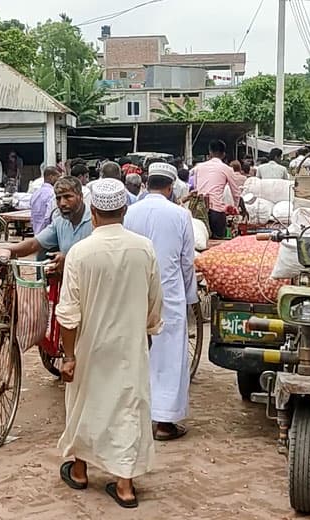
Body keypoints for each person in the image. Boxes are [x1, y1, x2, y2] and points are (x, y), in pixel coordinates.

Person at [55, 178, 163, 509]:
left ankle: (80, 468)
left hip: (90, 346)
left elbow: (68, 314)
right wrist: (147, 331)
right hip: (130, 346)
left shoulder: (80, 252)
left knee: (85, 404)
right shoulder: (144, 248)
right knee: (127, 408)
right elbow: (154, 301)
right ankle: (125, 485)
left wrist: (69, 356)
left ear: (92, 210)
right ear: (124, 209)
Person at [124, 163, 197, 441]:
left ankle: (136, 417)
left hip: (135, 292)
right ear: (169, 188)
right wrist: (190, 297)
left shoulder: (130, 213)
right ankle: (165, 423)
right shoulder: (180, 215)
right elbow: (186, 262)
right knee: (169, 355)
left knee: (136, 353)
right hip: (169, 293)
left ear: (147, 184)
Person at [0, 177, 92, 272]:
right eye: (58, 198)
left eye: (68, 197)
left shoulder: (95, 220)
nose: (62, 203)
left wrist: (68, 259)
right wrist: (4, 250)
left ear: (80, 196)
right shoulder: (60, 222)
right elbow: (33, 244)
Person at [192, 140, 241, 239]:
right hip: (216, 211)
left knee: (201, 241)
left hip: (200, 210)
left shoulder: (198, 167)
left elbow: (196, 188)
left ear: (210, 152)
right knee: (218, 244)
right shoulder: (226, 169)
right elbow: (236, 193)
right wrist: (236, 208)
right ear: (223, 154)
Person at [31, 167, 60, 235]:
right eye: (58, 177)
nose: (59, 180)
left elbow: (32, 215)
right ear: (51, 177)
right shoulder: (53, 194)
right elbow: (48, 217)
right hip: (47, 233)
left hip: (36, 232)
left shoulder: (35, 193)